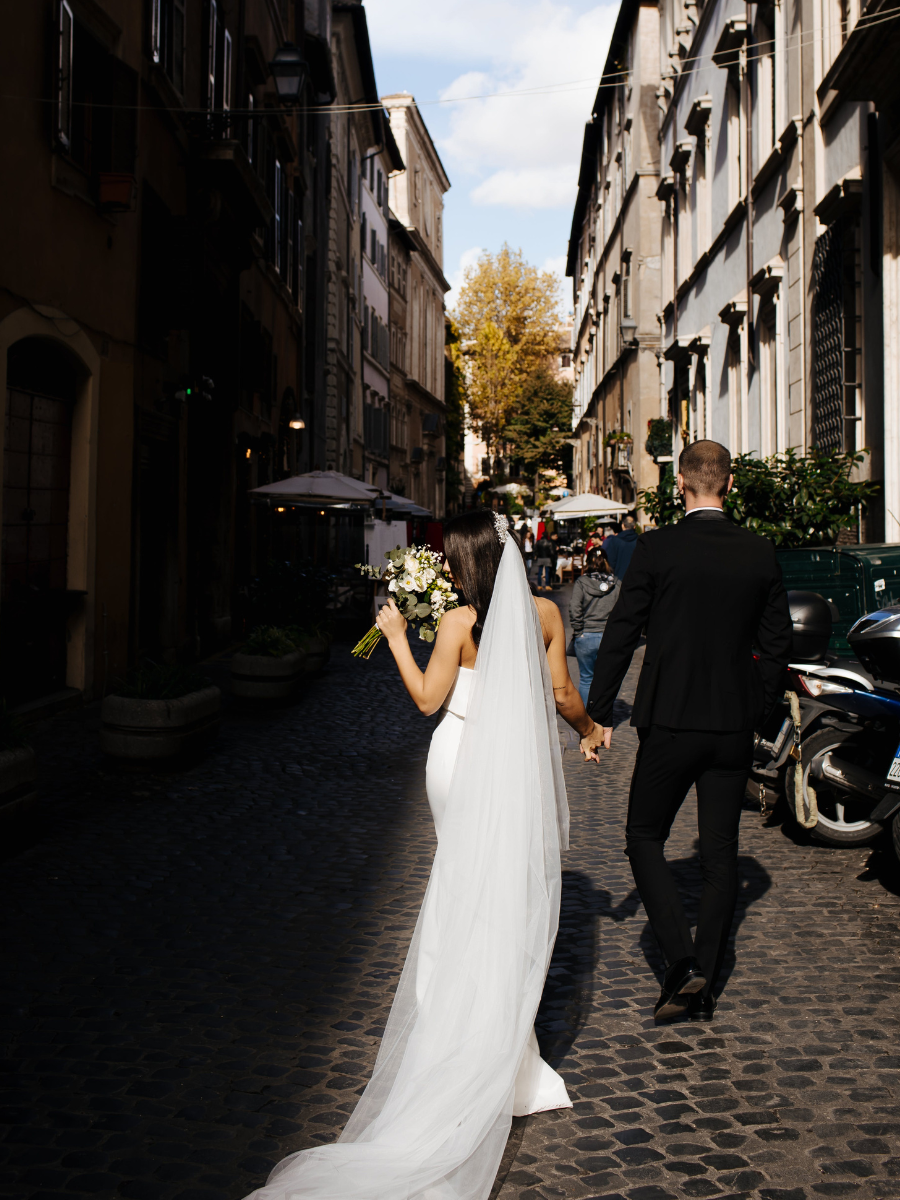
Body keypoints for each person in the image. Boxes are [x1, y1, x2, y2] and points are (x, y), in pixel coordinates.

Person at [245, 510, 599, 1200]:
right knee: (507, 895)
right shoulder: (546, 613)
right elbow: (562, 695)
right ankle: (509, 1053)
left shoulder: (461, 624)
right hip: (515, 766)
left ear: (464, 565)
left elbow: (427, 699)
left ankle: (456, 1032)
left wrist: (397, 636)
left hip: (459, 756)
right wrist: (591, 728)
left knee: (462, 886)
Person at [580, 440, 791, 1023]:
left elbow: (622, 631)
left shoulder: (658, 547)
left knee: (644, 835)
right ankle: (708, 977)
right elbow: (777, 646)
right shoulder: (758, 550)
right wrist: (761, 709)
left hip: (670, 719)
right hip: (731, 726)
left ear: (680, 485)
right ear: (730, 484)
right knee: (721, 855)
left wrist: (598, 712)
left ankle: (681, 962)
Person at [569, 550, 621, 704]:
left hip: (586, 635)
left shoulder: (582, 582)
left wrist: (578, 631)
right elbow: (623, 610)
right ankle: (603, 717)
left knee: (586, 679)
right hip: (609, 636)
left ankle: (588, 720)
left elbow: (574, 607)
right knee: (607, 680)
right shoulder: (617, 583)